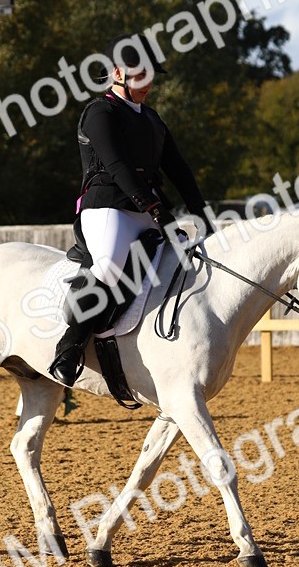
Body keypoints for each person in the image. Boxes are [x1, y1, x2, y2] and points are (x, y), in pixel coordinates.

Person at [49, 32, 213, 386]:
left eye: (151, 75)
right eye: (141, 75)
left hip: (145, 209)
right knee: (109, 267)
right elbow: (118, 166)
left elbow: (179, 168)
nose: (148, 82)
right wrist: (156, 210)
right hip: (107, 207)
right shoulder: (99, 112)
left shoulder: (152, 120)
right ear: (117, 73)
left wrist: (202, 212)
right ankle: (70, 347)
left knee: (181, 267)